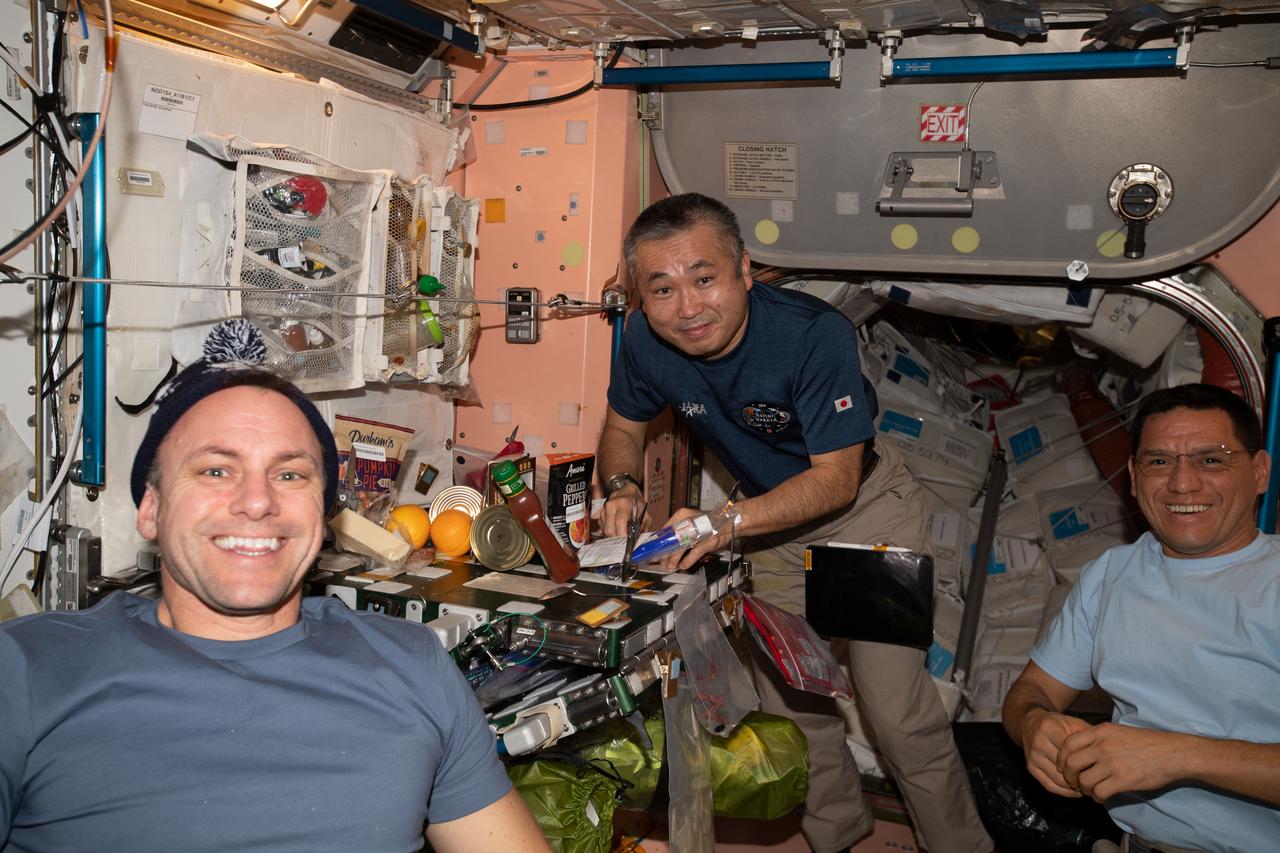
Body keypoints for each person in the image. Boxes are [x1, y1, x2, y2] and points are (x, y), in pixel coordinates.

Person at [0, 320, 549, 853]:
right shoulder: (28, 672)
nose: (258, 501)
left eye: (290, 475)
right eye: (216, 470)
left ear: (323, 511)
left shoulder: (413, 666)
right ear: (152, 508)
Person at [597, 193, 992, 853]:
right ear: (641, 295)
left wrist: (723, 522)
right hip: (770, 525)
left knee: (895, 713)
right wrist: (622, 484)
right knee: (794, 704)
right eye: (661, 288)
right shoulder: (643, 339)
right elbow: (621, 427)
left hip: (866, 512)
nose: (688, 307)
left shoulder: (813, 335)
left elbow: (835, 478)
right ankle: (839, 836)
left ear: (745, 270)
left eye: (705, 278)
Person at [1002, 383, 1280, 853]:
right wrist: (1033, 724)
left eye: (1211, 459)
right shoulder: (1111, 575)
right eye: (1158, 461)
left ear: (1259, 472)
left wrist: (1178, 755)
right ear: (1133, 478)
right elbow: (1032, 691)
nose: (1182, 483)